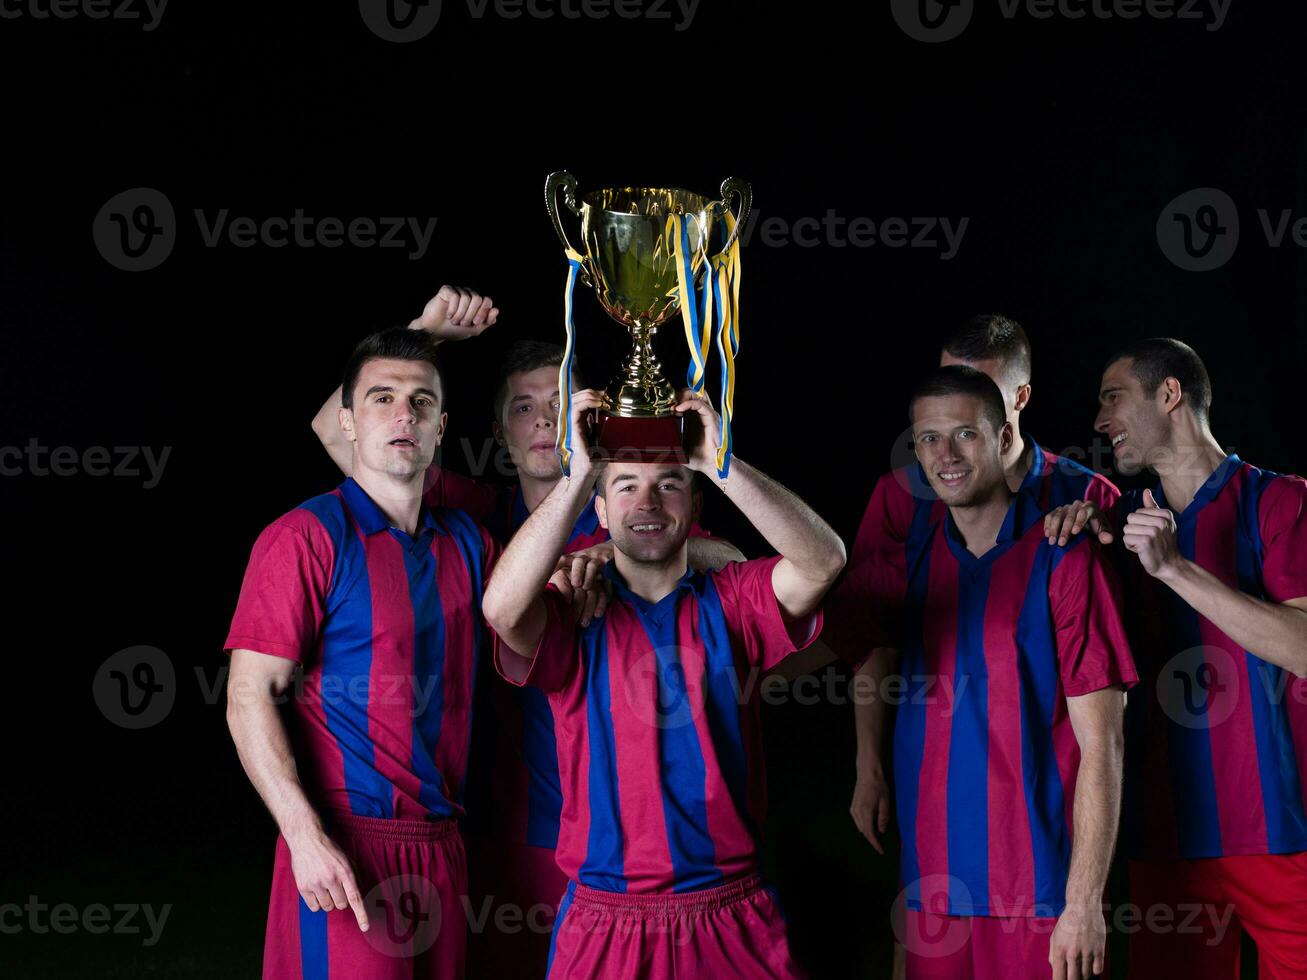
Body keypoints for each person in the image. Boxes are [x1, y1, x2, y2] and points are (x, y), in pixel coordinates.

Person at [311, 287, 745, 975]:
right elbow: (337, 431)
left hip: (612, 830)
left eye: (558, 404)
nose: (544, 421)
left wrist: (601, 552)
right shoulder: (477, 516)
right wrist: (424, 336)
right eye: (524, 408)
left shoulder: (627, 511)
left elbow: (730, 560)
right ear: (498, 433)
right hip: (498, 814)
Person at [481, 386, 846, 978]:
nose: (646, 501)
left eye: (669, 484)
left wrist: (716, 460)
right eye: (625, 486)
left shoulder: (734, 602)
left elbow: (824, 561)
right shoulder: (574, 610)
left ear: (694, 505)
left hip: (730, 911)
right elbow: (500, 609)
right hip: (605, 917)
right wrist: (579, 474)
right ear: (599, 511)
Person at [224, 327, 498, 978]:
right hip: (346, 846)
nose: (404, 413)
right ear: (346, 422)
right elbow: (246, 696)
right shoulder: (304, 537)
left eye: (422, 402)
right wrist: (303, 835)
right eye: (382, 398)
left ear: (441, 427)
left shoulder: (468, 542)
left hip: (443, 844)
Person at [863, 365, 1136, 979]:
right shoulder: (908, 562)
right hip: (933, 887)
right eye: (928, 439)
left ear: (1003, 435)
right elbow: (785, 612)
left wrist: (1084, 903)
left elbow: (1105, 747)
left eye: (965, 434)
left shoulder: (1064, 558)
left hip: (1038, 893)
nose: (945, 455)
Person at [1047, 338, 1307, 978]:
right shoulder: (1117, 521)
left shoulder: (1280, 501)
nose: (1100, 422)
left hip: (1284, 836)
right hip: (1164, 839)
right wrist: (1082, 542)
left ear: (1170, 395)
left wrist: (1176, 570)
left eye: (1114, 397)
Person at [836, 315, 1121, 869]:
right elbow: (874, 638)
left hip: (1044, 789)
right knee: (924, 931)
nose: (953, 403)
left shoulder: (1087, 496)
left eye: (975, 395)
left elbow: (1111, 661)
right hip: (937, 778)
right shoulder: (900, 497)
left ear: (1018, 400)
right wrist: (869, 764)